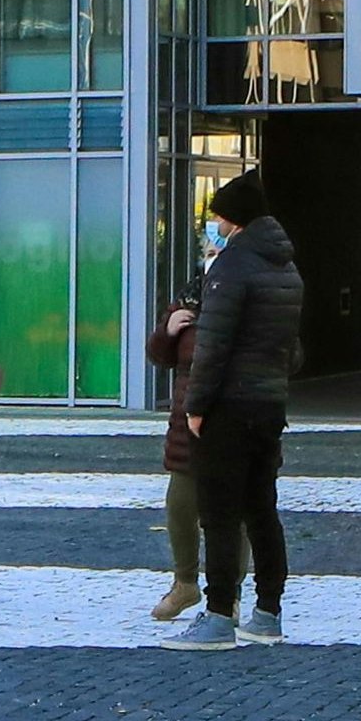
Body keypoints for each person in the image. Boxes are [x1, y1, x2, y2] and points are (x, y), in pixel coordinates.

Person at [165, 171, 300, 652]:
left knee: (219, 514)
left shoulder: (232, 268)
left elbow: (213, 348)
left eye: (219, 217)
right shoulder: (285, 267)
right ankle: (268, 612)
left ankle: (219, 614)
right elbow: (289, 349)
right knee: (261, 510)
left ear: (235, 220)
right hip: (268, 404)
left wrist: (195, 408)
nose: (215, 226)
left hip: (228, 407)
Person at [141, 286, 239, 623]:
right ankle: (185, 582)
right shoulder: (190, 298)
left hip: (233, 412)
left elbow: (285, 351)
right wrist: (168, 331)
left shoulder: (250, 290)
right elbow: (159, 354)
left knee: (230, 508)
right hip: (187, 423)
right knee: (180, 505)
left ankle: (230, 593)